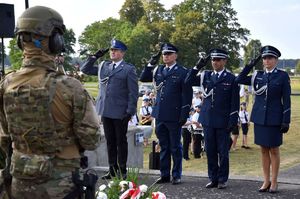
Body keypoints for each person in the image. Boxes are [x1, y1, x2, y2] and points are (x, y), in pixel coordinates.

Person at [0, 6, 101, 198]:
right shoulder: (71, 87)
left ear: (21, 42)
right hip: (61, 186)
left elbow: (4, 138)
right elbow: (91, 139)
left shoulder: (6, 84)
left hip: (19, 184)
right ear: (55, 41)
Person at [235, 45, 291, 193]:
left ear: (276, 60)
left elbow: (286, 99)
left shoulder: (282, 76)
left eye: (270, 58)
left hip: (274, 118)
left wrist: (286, 120)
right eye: (264, 58)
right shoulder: (257, 75)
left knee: (274, 150)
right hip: (260, 118)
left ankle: (274, 181)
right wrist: (250, 64)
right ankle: (265, 180)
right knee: (263, 150)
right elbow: (239, 79)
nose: (266, 60)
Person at [81, 39, 138, 180]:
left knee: (121, 141)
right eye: (111, 50)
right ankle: (112, 169)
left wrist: (130, 111)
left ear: (122, 53)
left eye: (116, 50)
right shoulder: (103, 66)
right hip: (106, 110)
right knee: (110, 142)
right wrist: (94, 57)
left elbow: (133, 92)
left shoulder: (128, 69)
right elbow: (85, 70)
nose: (112, 52)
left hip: (120, 111)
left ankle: (123, 170)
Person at [185, 48, 240, 189]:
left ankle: (222, 179)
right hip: (208, 119)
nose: (214, 62)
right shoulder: (206, 75)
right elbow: (188, 80)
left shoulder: (231, 78)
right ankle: (213, 178)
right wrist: (198, 66)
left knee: (223, 152)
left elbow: (234, 102)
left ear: (224, 61)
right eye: (213, 60)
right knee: (209, 150)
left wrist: (233, 121)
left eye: (218, 60)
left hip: (223, 120)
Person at [140, 43, 193, 185]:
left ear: (175, 55)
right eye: (164, 54)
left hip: (174, 115)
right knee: (163, 146)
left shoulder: (183, 71)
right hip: (160, 114)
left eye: (169, 54)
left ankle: (176, 175)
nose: (166, 56)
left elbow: (187, 95)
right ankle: (164, 174)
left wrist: (184, 114)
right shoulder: (158, 69)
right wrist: (150, 63)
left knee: (175, 146)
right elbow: (143, 77)